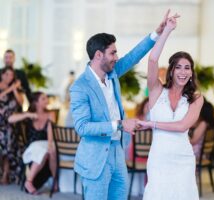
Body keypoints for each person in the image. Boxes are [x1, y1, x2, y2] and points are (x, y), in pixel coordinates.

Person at [69, 10, 173, 200]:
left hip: (117, 151)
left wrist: (156, 33)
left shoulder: (113, 73)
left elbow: (134, 56)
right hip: (96, 158)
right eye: (113, 52)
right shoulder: (80, 87)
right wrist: (119, 124)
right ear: (98, 55)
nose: (117, 57)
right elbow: (82, 127)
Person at [137, 16, 203, 200]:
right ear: (171, 71)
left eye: (187, 68)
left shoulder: (196, 98)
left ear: (191, 73)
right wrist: (167, 31)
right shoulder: (157, 91)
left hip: (183, 158)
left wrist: (151, 124)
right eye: (179, 67)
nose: (183, 71)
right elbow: (152, 60)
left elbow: (182, 126)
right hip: (159, 156)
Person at [8, 92, 57, 194]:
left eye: (46, 98)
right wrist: (27, 114)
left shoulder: (51, 114)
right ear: (36, 102)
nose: (47, 100)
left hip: (46, 143)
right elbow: (10, 119)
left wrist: (49, 145)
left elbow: (50, 132)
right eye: (43, 99)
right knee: (44, 150)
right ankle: (48, 181)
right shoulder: (29, 115)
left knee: (50, 151)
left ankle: (33, 181)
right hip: (32, 147)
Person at [0, 66, 23, 184]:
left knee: (8, 149)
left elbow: (21, 102)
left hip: (11, 123)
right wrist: (10, 89)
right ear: (2, 75)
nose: (10, 77)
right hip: (1, 122)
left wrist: (14, 89)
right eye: (7, 74)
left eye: (12, 75)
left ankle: (5, 175)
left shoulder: (16, 88)